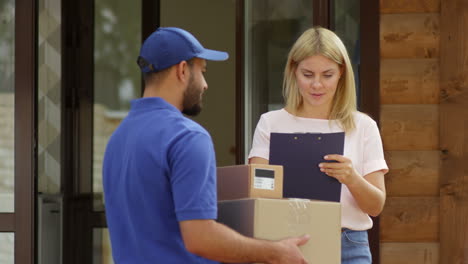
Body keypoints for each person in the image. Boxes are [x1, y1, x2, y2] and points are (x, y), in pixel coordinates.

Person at [102, 27, 310, 264]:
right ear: (182, 70)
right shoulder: (187, 137)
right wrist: (277, 252)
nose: (205, 84)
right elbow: (201, 237)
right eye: (202, 71)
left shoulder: (118, 138)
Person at [248, 26, 388, 264]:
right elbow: (258, 193)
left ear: (342, 72)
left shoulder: (363, 126)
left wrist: (351, 177)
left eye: (327, 75)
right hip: (285, 242)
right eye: (308, 74)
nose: (317, 85)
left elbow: (376, 206)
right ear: (293, 70)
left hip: (348, 246)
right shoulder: (270, 123)